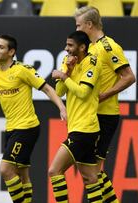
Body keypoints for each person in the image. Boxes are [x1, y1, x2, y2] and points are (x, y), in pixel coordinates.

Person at [0, 34, 67, 203]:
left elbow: (47, 88)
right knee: (22, 174)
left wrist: (62, 107)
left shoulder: (22, 70)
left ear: (11, 52)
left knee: (5, 170)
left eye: (1, 47)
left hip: (27, 128)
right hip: (11, 128)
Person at [74, 6, 136, 202]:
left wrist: (103, 95)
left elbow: (129, 77)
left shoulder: (108, 46)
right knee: (92, 173)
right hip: (91, 116)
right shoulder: (89, 48)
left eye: (78, 25)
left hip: (105, 115)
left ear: (89, 25)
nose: (76, 30)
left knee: (91, 173)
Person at [49, 31, 103, 203]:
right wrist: (69, 71)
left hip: (84, 129)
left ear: (82, 47)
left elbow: (83, 93)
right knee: (90, 179)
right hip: (79, 128)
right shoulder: (68, 61)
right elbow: (59, 91)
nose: (66, 49)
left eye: (70, 45)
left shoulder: (92, 63)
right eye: (66, 44)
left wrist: (64, 76)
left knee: (54, 171)